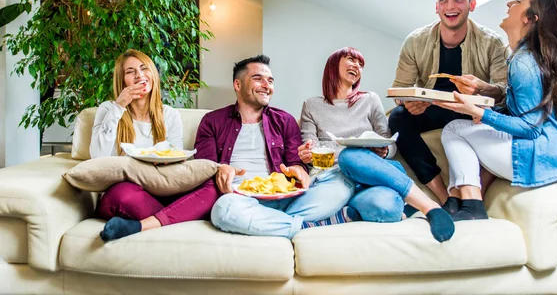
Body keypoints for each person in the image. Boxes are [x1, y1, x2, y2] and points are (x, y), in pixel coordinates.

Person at [434, 0, 557, 220]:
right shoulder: (537, 57)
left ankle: (469, 205)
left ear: (529, 18)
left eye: (519, 1)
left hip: (543, 160)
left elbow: (530, 128)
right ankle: (458, 202)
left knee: (454, 129)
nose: (510, 3)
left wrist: (478, 112)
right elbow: (530, 103)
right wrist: (487, 89)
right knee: (466, 128)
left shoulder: (524, 62)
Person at [298, 47, 454, 242]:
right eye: (351, 59)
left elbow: (390, 140)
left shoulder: (369, 100)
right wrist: (307, 152)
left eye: (361, 64)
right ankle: (350, 212)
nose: (357, 65)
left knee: (357, 164)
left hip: (369, 171)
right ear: (333, 64)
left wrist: (385, 150)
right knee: (377, 196)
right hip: (334, 176)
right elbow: (309, 145)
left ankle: (426, 205)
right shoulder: (312, 105)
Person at [388, 0, 509, 214]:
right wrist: (411, 101)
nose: (450, 6)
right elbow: (399, 88)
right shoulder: (415, 41)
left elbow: (505, 92)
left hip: (469, 110)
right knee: (398, 117)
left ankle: (474, 195)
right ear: (436, 7)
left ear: (471, 5)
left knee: (506, 113)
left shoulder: (492, 42)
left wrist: (481, 87)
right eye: (443, 0)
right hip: (432, 108)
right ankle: (445, 198)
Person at [203, 55, 355, 239]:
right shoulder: (212, 121)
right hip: (241, 200)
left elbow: (295, 162)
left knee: (342, 180)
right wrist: (220, 168)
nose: (267, 86)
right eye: (258, 79)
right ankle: (306, 226)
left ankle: (271, 223)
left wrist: (298, 169)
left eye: (270, 81)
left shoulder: (284, 120)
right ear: (237, 84)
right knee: (222, 210)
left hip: (286, 197)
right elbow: (203, 168)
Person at [92, 49, 219, 241]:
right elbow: (97, 157)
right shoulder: (109, 109)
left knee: (211, 189)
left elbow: (176, 159)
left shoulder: (169, 114)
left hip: (162, 190)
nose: (139, 75)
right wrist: (120, 106)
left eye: (144, 69)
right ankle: (181, 216)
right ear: (121, 80)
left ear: (153, 75)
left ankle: (141, 225)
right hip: (128, 189)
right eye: (130, 72)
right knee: (121, 196)